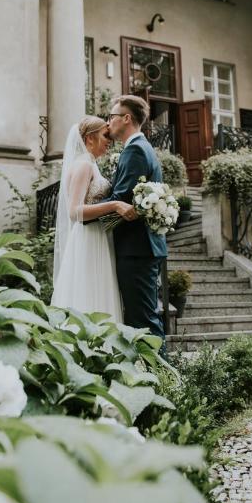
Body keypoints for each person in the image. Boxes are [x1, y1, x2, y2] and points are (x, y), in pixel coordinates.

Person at [51, 116, 135, 318]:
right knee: (89, 295)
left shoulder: (91, 165)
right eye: (105, 135)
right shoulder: (84, 166)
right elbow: (75, 212)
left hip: (98, 236)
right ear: (90, 138)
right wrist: (114, 205)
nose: (110, 140)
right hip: (88, 239)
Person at [106, 94, 167, 340]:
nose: (108, 122)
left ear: (126, 118)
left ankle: (163, 378)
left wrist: (83, 213)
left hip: (136, 247)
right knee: (141, 317)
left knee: (142, 320)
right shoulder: (142, 148)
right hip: (142, 247)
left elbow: (122, 197)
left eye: (111, 117)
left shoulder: (135, 151)